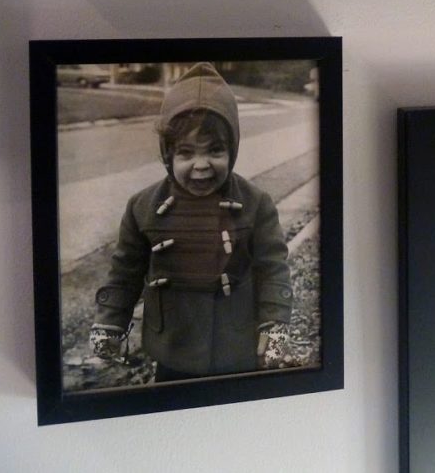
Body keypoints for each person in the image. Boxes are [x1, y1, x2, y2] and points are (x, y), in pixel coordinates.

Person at [89, 62, 293, 381]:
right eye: (186, 153)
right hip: (173, 344)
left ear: (233, 150)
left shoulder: (257, 204)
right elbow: (125, 272)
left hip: (236, 344)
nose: (201, 165)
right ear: (167, 156)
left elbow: (273, 268)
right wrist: (109, 324)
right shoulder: (142, 207)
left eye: (215, 150)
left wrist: (275, 325)